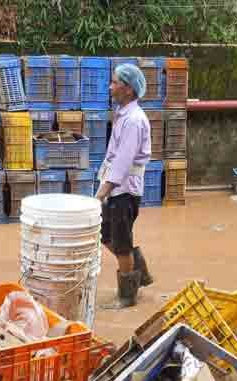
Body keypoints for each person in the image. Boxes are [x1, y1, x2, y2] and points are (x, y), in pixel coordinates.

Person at [95, 63, 154, 309]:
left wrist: (101, 194)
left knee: (120, 243)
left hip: (124, 190)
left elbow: (123, 161)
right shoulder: (124, 115)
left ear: (128, 89)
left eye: (115, 82)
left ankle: (127, 297)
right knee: (105, 235)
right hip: (115, 187)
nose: (111, 86)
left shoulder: (133, 120)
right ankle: (138, 270)